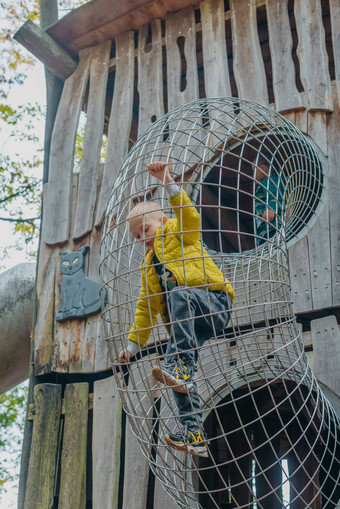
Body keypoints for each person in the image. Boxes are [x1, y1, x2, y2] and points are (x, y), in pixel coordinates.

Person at [119, 161, 235, 458]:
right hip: (189, 323)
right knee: (175, 373)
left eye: (144, 229)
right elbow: (145, 307)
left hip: (213, 302)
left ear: (162, 220)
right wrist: (132, 347)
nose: (142, 238)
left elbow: (190, 217)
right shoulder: (149, 267)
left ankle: (180, 366)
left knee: (180, 294)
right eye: (136, 238)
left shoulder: (179, 233)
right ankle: (194, 433)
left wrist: (168, 182)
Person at [253, 152, 284, 245]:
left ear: (263, 168)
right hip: (266, 230)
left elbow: (276, 195)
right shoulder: (270, 181)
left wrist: (271, 209)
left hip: (271, 227)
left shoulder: (269, 180)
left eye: (254, 170)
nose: (252, 176)